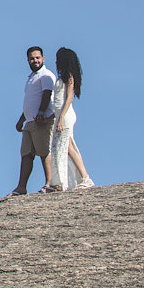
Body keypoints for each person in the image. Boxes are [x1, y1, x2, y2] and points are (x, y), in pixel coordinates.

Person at [8, 46, 56, 196]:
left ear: (43, 59)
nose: (35, 60)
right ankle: (21, 187)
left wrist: (42, 113)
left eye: (37, 58)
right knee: (26, 154)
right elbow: (30, 100)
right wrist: (21, 119)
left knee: (44, 152)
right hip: (29, 121)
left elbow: (47, 95)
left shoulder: (46, 75)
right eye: (32, 58)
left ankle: (50, 183)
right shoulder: (31, 78)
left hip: (41, 120)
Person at [51, 46, 95, 190]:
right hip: (60, 115)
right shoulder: (63, 76)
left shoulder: (68, 76)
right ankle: (67, 180)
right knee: (66, 147)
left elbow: (69, 98)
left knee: (67, 147)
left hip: (66, 115)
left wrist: (61, 117)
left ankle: (84, 177)